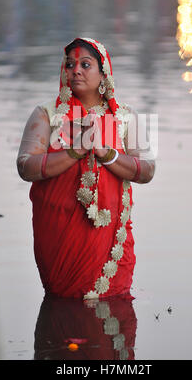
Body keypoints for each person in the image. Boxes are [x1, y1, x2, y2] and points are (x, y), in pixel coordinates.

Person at [17, 37, 155, 299]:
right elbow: (25, 167)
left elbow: (147, 170)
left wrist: (108, 155)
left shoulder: (126, 116)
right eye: (69, 64)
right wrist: (75, 151)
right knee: (61, 302)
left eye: (85, 64)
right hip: (59, 237)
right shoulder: (46, 113)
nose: (75, 70)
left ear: (104, 74)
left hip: (110, 238)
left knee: (114, 303)